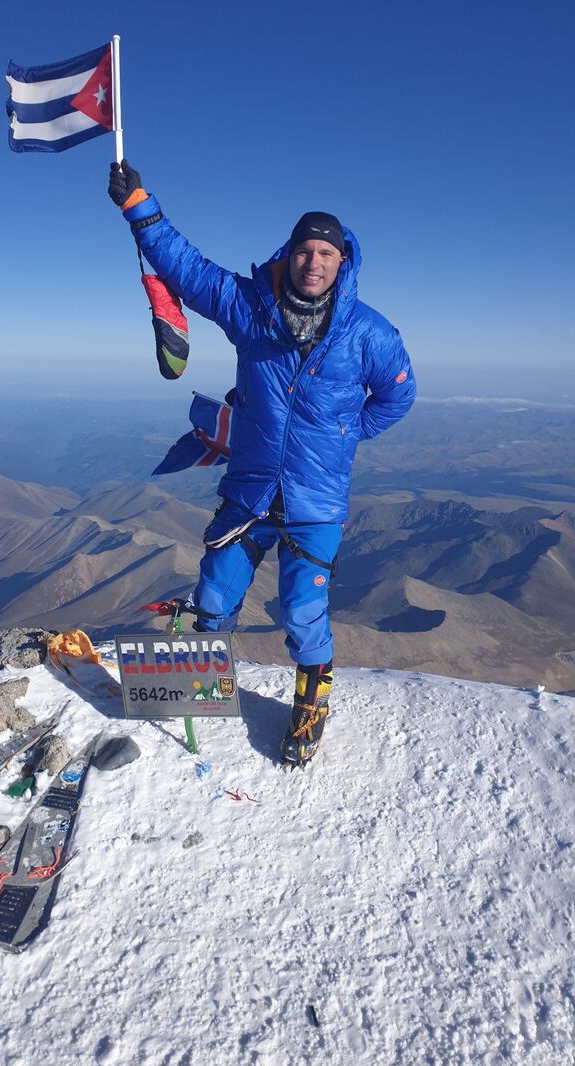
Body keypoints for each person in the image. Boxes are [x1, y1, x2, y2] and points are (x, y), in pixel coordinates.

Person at [109, 161, 416, 769]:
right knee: (215, 594)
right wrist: (140, 206)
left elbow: (399, 394)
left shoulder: (367, 332)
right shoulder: (253, 308)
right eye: (306, 250)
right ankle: (192, 691)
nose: (314, 261)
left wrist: (349, 431)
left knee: (303, 613)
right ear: (291, 253)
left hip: (315, 502)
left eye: (327, 252)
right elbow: (189, 272)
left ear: (342, 262)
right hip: (250, 489)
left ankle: (311, 702)